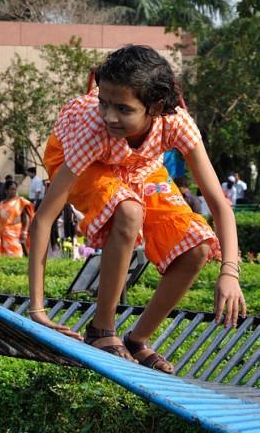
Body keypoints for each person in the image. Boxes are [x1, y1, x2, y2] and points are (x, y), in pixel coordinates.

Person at [28, 45, 245, 374]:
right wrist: (37, 309)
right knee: (129, 211)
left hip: (140, 165)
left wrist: (229, 272)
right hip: (85, 161)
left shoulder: (176, 124)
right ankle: (101, 330)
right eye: (103, 103)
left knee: (198, 246)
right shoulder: (94, 129)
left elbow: (219, 204)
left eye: (123, 109)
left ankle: (136, 340)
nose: (109, 116)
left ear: (156, 107)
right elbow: (44, 218)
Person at [0, 181, 34, 257]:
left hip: (16, 234)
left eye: (15, 189)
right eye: (11, 189)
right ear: (6, 191)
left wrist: (25, 232)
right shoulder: (1, 203)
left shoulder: (20, 201)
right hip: (3, 233)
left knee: (17, 254)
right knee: (4, 257)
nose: (14, 191)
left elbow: (26, 217)